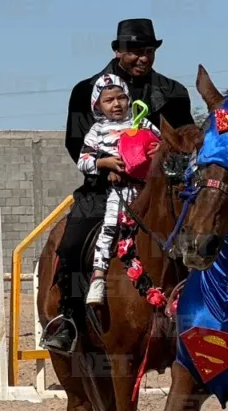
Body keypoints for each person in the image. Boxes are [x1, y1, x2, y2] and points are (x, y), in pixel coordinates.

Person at [43, 18, 196, 353]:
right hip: (104, 188)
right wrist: (106, 168)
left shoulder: (174, 93)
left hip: (158, 192)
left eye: (148, 51)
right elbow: (75, 143)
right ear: (117, 51)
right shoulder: (86, 91)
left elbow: (186, 144)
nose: (142, 57)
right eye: (134, 51)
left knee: (202, 234)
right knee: (72, 241)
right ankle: (68, 318)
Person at [76, 73, 160, 306]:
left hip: (146, 190)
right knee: (110, 226)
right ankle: (99, 277)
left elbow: (162, 147)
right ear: (98, 105)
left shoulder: (142, 122)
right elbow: (82, 160)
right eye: (109, 100)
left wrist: (156, 152)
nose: (116, 104)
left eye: (121, 97)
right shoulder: (97, 131)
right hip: (119, 191)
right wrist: (104, 163)